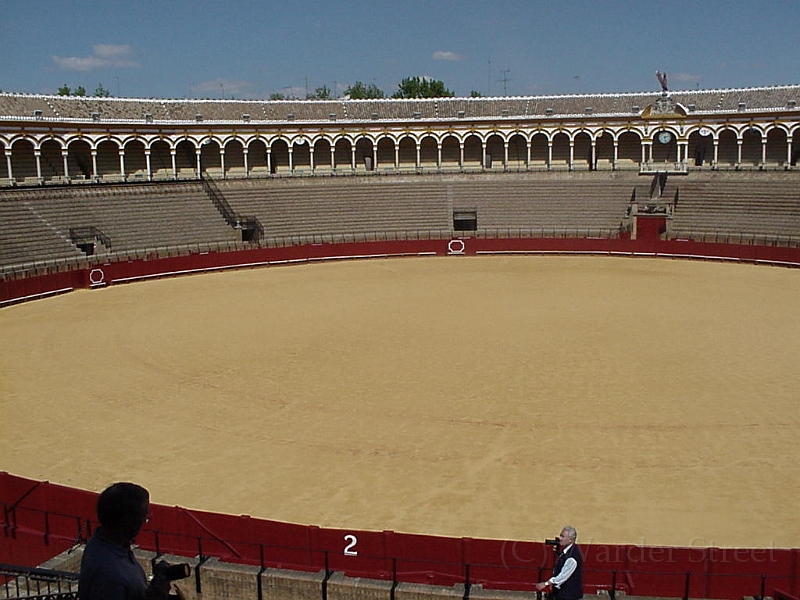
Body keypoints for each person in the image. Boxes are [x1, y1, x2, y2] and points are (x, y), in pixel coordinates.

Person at [78, 482, 184, 600]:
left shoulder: (109, 544)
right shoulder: (110, 576)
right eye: (143, 518)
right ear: (128, 522)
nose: (144, 522)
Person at [535, 526, 583, 600]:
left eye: (562, 536)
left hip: (568, 595)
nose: (560, 538)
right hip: (562, 593)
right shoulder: (567, 551)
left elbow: (562, 576)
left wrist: (546, 583)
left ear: (570, 540)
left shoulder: (572, 557)